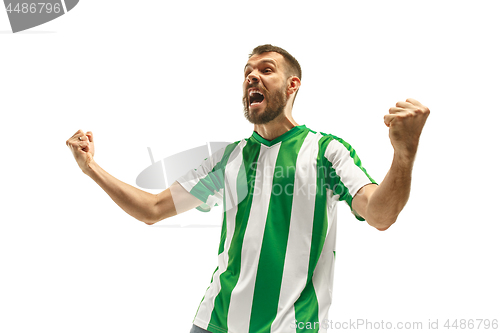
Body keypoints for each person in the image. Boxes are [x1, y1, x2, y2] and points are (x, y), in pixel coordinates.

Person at [66, 44, 430, 333]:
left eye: (266, 70)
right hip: (214, 323)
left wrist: (404, 155)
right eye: (247, 73)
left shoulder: (325, 151)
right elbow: (152, 209)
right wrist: (90, 168)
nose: (252, 78)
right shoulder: (228, 159)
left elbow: (380, 215)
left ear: (293, 85)